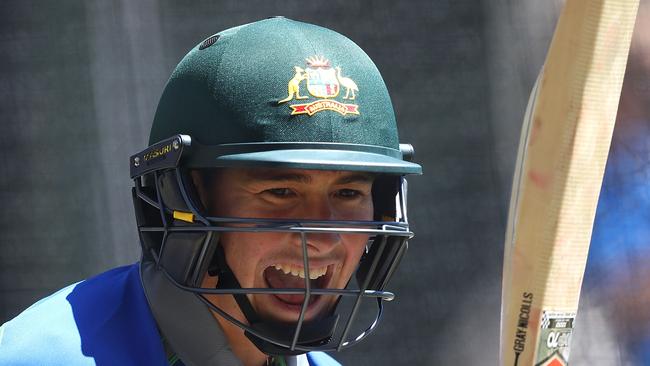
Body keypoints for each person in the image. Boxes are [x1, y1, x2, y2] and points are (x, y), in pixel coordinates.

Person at [0, 17, 421, 365]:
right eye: (280, 191)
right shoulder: (40, 356)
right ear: (184, 197)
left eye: (347, 195)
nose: (322, 237)